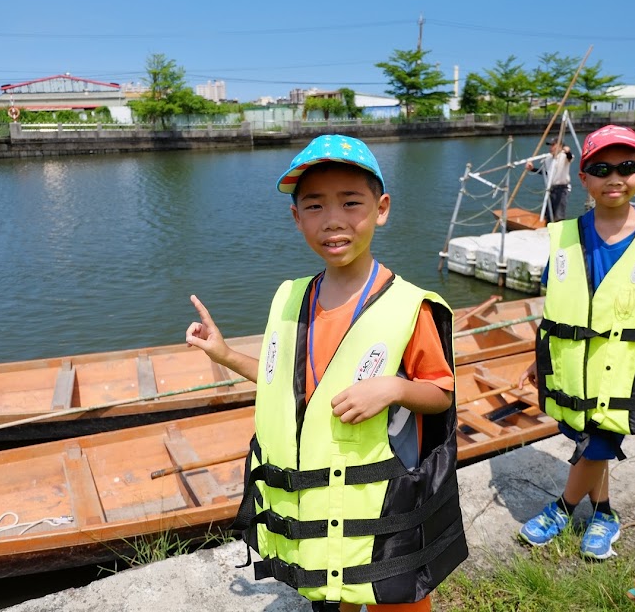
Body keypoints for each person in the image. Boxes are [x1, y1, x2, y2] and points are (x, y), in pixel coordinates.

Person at [185, 134, 468, 611]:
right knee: (325, 598)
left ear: (381, 209)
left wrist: (394, 387)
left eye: (350, 203)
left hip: (380, 515)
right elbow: (290, 388)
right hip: (315, 513)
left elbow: (441, 392)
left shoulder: (410, 307)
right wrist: (227, 355)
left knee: (394, 600)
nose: (333, 220)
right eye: (314, 206)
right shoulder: (292, 297)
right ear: (296, 218)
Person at [517, 125, 635, 560]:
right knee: (588, 440)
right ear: (583, 178)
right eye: (601, 168)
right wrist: (542, 357)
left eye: (626, 167)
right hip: (572, 367)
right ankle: (606, 512)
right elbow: (556, 303)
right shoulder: (565, 236)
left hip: (624, 371)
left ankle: (562, 508)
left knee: (598, 442)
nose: (615, 177)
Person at [525, 136, 574, 222]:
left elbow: (570, 157)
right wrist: (532, 169)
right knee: (548, 214)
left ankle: (559, 232)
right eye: (550, 145)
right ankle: (547, 229)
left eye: (553, 145)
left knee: (559, 214)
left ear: (559, 146)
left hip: (562, 188)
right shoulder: (548, 158)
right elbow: (547, 173)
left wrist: (567, 151)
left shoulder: (564, 156)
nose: (551, 148)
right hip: (551, 188)